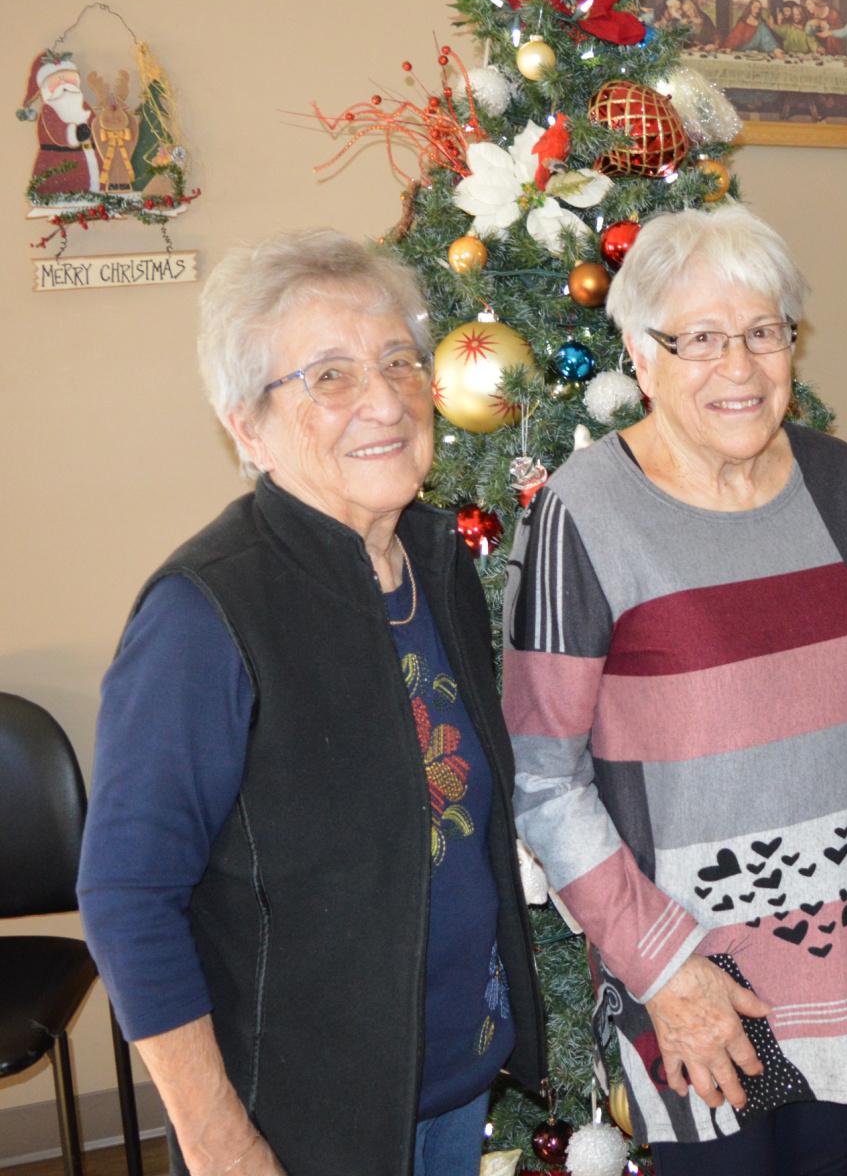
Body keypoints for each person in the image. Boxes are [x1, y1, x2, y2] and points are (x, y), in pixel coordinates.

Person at [77, 230, 544, 1176]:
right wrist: (218, 1140)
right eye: (328, 377)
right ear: (247, 426)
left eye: (398, 362)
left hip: (448, 1081)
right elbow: (127, 893)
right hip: (299, 1124)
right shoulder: (206, 613)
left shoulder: (434, 559)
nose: (384, 400)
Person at [503, 203, 847, 1176]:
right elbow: (542, 778)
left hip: (839, 971)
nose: (738, 368)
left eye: (761, 332)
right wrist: (662, 968)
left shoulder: (840, 483)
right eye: (698, 338)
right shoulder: (587, 513)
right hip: (695, 988)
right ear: (640, 352)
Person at [20, 51, 102, 196]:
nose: (64, 85)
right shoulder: (48, 109)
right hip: (60, 162)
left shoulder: (83, 104)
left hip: (89, 157)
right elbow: (58, 133)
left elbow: (95, 124)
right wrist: (75, 134)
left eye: (69, 79)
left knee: (92, 184)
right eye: (56, 82)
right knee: (63, 184)